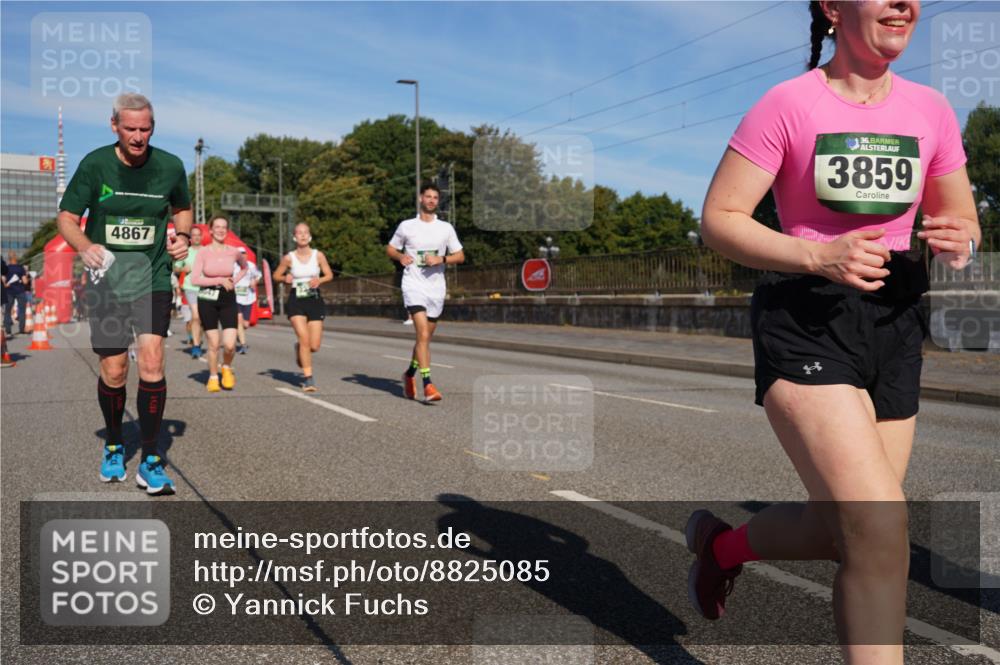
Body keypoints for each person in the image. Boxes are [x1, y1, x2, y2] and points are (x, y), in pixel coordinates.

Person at [691, 2, 980, 663]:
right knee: (878, 529)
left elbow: (959, 212)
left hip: (896, 322)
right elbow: (721, 217)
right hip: (807, 316)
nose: (905, 2)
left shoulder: (931, 110)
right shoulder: (789, 103)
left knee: (841, 529)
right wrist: (819, 254)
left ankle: (721, 548)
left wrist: (960, 235)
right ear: (832, 6)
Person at [56, 93, 193, 495]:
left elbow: (182, 207)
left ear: (154, 127)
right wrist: (84, 246)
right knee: (114, 370)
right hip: (107, 282)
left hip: (152, 277)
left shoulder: (169, 166)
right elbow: (66, 217)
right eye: (130, 129)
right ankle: (114, 443)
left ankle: (150, 458)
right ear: (114, 125)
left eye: (145, 129)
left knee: (152, 361)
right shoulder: (96, 164)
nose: (138, 137)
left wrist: (182, 235)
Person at [386, 183, 465, 402]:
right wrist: (400, 257)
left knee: (425, 339)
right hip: (413, 285)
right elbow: (390, 248)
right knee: (421, 335)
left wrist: (442, 259)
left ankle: (409, 374)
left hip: (436, 287)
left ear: (438, 201)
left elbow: (460, 255)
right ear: (421, 198)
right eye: (427, 196)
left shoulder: (445, 228)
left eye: (435, 197)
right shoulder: (407, 226)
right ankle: (428, 384)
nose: (431, 200)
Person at [273, 223, 333, 392]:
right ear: (294, 237)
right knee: (304, 338)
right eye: (299, 233)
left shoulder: (318, 255)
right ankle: (308, 379)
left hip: (314, 300)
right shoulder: (289, 258)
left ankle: (299, 349)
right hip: (296, 300)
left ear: (310, 236)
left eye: (306, 232)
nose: (303, 235)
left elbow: (329, 274)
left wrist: (319, 280)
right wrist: (285, 278)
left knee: (313, 346)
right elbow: (276, 275)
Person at [190, 216, 246, 392]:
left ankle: (227, 368)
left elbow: (245, 268)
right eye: (217, 227)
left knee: (229, 345)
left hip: (228, 298)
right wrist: (221, 280)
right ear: (211, 230)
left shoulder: (234, 251)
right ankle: (214, 376)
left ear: (227, 230)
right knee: (214, 343)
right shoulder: (203, 252)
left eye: (224, 227)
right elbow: (195, 279)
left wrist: (234, 280)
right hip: (207, 299)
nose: (221, 230)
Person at [173, 225, 204, 357]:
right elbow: (175, 267)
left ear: (201, 237)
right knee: (196, 316)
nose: (196, 237)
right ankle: (196, 346)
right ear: (190, 238)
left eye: (198, 235)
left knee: (201, 319)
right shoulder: (186, 251)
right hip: (191, 288)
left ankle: (196, 338)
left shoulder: (207, 251)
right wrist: (182, 269)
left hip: (206, 288)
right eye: (194, 235)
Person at [233, 247, 262, 354]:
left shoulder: (251, 265)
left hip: (248, 297)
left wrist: (255, 281)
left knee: (246, 324)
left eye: (243, 253)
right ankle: (243, 345)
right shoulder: (233, 266)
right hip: (235, 298)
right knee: (239, 320)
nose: (242, 255)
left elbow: (258, 275)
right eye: (239, 254)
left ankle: (238, 334)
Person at [3, 252, 29, 337]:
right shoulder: (20, 268)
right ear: (15, 258)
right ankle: (21, 330)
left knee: (7, 311)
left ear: (9, 259)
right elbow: (25, 282)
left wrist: (5, 284)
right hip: (20, 291)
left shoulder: (6, 268)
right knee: (21, 310)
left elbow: (3, 279)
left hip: (9, 292)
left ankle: (8, 331)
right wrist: (27, 277)